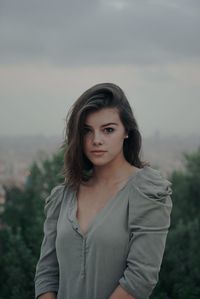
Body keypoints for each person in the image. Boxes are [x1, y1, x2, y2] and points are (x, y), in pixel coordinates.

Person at [34, 83, 172, 299]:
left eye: (108, 130)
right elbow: (46, 273)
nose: (96, 140)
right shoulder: (64, 195)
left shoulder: (147, 191)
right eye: (87, 131)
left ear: (126, 131)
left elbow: (140, 278)